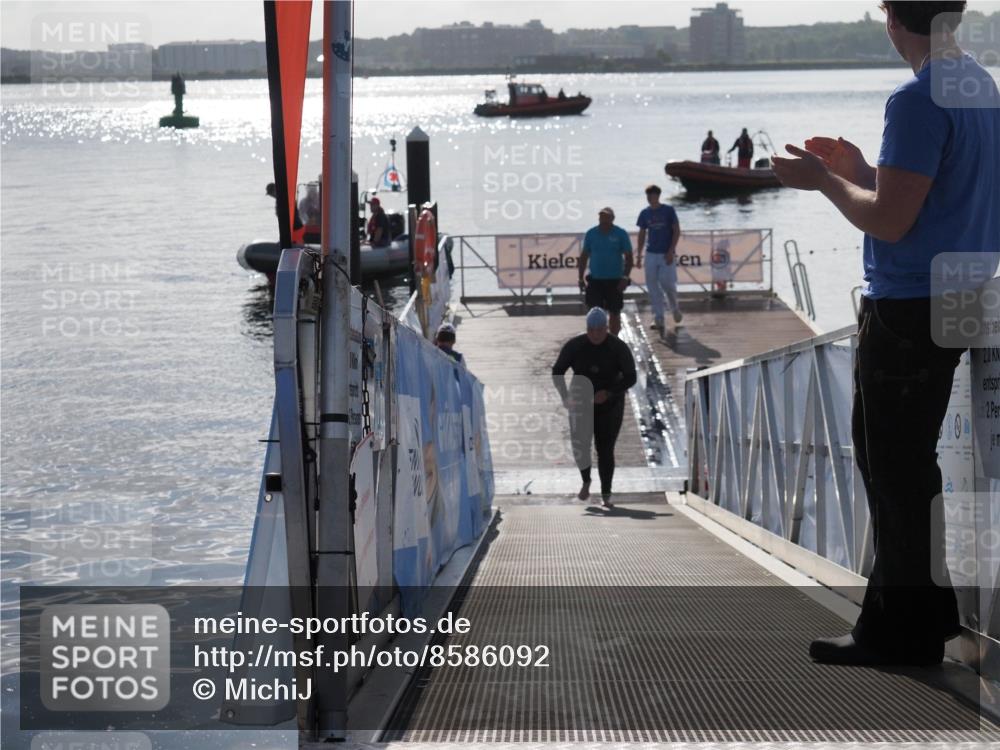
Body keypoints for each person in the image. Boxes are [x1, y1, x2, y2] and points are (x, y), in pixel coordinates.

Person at [771, 0, 999, 667]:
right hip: (963, 294)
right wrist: (860, 171)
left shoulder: (916, 98)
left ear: (893, 19)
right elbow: (930, 196)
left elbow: (891, 224)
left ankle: (900, 633)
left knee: (892, 467)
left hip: (908, 306)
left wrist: (823, 183)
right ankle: (925, 618)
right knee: (907, 465)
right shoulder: (978, 84)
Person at [552, 307, 637, 508]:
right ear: (587, 329)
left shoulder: (618, 347)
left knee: (605, 448)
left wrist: (608, 393)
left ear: (607, 328)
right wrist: (565, 397)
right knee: (580, 445)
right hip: (580, 401)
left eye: (600, 330)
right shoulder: (575, 345)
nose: (596, 335)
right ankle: (586, 481)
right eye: (592, 330)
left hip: (610, 403)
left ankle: (606, 493)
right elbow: (557, 371)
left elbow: (631, 376)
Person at [578, 207, 633, 336]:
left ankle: (614, 338)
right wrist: (580, 278)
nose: (603, 220)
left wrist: (625, 278)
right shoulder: (591, 233)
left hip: (615, 280)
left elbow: (629, 258)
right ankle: (595, 337)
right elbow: (584, 257)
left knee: (615, 312)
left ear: (612, 218)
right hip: (596, 280)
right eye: (601, 217)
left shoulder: (620, 233)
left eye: (606, 217)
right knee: (594, 312)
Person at [635, 184, 683, 331]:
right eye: (648, 196)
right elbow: (642, 233)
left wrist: (671, 251)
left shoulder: (668, 210)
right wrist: (639, 254)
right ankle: (658, 317)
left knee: (667, 283)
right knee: (652, 286)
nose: (650, 198)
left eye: (653, 195)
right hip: (651, 253)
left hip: (665, 253)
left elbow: (676, 230)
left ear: (658, 196)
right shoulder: (644, 213)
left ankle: (674, 308)